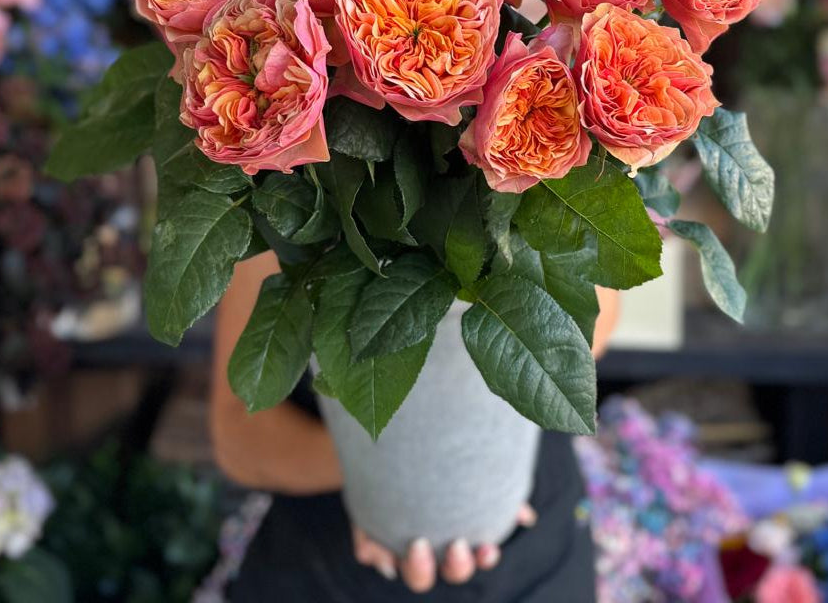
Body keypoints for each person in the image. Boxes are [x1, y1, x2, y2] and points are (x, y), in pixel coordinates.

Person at [214, 250, 619, 599]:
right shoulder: (277, 189)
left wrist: (481, 456)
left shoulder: (582, 170)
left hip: (532, 546)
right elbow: (237, 433)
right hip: (327, 556)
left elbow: (592, 323)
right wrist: (386, 470)